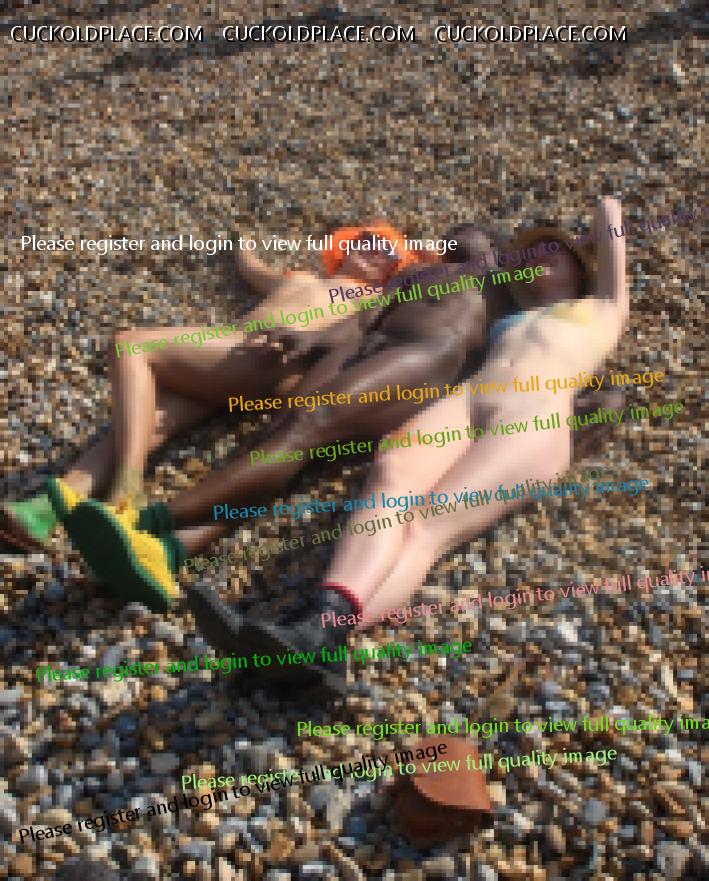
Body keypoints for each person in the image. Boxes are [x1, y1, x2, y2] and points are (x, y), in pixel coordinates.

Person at [211, 197, 628, 694]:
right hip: (470, 399)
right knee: (390, 473)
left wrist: (587, 237)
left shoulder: (603, 308)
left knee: (427, 526)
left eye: (554, 251)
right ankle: (312, 632)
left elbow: (610, 214)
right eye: (534, 249)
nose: (541, 254)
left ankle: (317, 634)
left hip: (534, 413)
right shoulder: (510, 312)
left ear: (582, 270)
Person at [0, 223, 411, 552]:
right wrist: (240, 243)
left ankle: (128, 491)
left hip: (265, 356)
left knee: (131, 345)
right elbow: (253, 270)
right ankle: (45, 510)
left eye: (387, 252)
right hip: (225, 362)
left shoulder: (373, 299)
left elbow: (360, 336)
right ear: (347, 245)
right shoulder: (299, 277)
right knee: (144, 423)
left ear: (391, 270)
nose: (374, 250)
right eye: (368, 240)